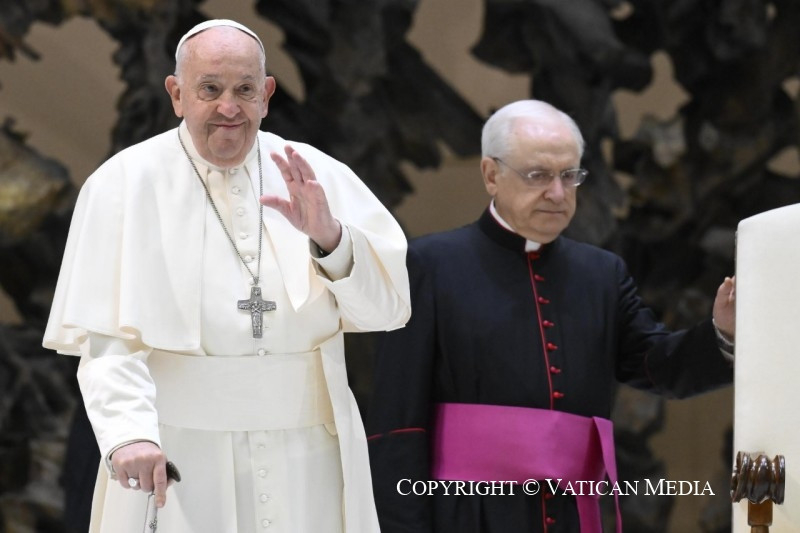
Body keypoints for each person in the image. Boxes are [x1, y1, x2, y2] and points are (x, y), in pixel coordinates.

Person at [43, 19, 410, 533]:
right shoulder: (123, 184)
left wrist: (330, 240)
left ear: (267, 95)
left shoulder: (317, 175)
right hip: (182, 455)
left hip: (309, 459)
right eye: (210, 89)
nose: (229, 108)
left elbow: (387, 312)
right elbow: (107, 344)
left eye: (244, 90)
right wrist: (129, 434)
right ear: (177, 94)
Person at [366, 99, 735, 533]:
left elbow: (657, 367)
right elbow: (396, 427)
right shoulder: (429, 265)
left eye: (569, 175)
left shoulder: (601, 273)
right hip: (468, 515)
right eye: (538, 175)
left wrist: (723, 335)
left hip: (570, 515)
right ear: (491, 175)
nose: (558, 193)